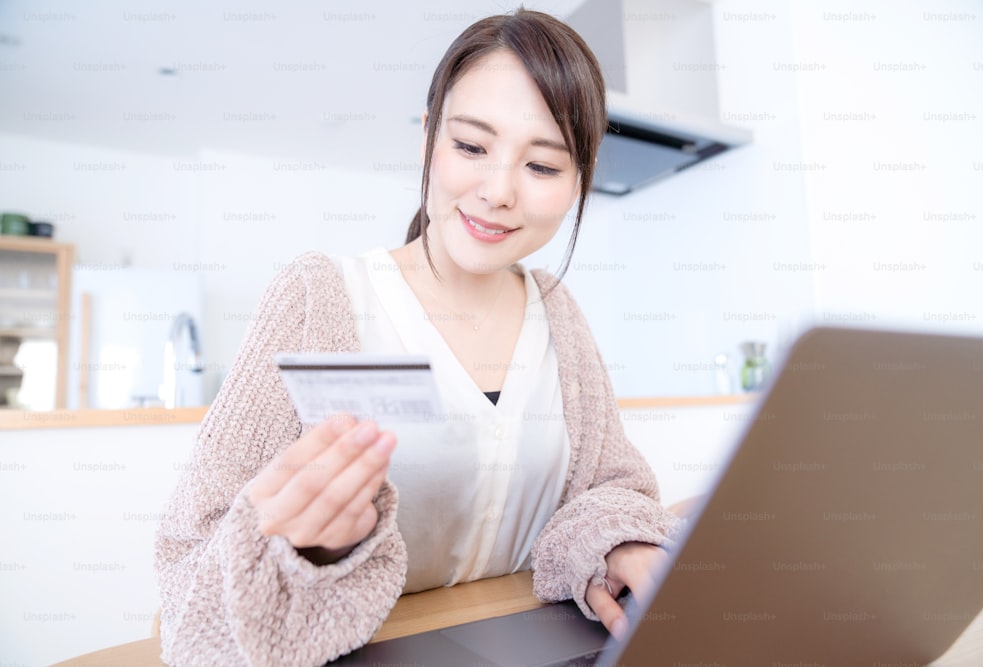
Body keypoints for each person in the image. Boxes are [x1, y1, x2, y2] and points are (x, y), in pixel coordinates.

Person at [154, 9, 686, 667]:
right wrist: (309, 548)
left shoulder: (559, 313)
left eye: (543, 166)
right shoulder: (320, 299)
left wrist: (618, 541)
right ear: (429, 136)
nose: (498, 192)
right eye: (471, 147)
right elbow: (189, 567)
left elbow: (606, 490)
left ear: (580, 178)